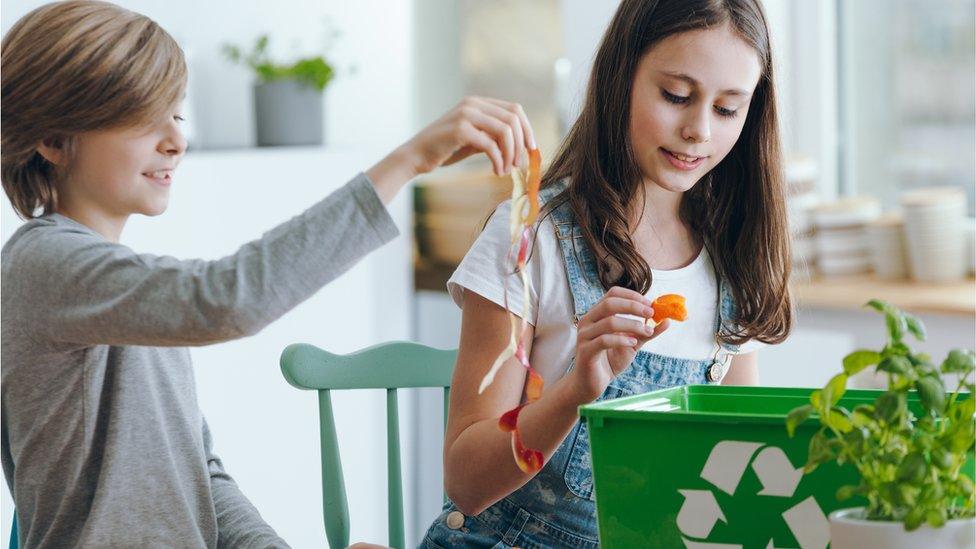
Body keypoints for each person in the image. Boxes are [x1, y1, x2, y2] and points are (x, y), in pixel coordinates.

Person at [0, 1, 535, 547]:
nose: (175, 140)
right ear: (52, 138)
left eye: (177, 115)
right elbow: (228, 299)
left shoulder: (120, 287)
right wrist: (409, 160)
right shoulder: (41, 266)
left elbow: (200, 477)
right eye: (141, 116)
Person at [422, 0, 793, 547]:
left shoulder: (733, 260)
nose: (697, 130)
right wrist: (576, 390)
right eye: (676, 96)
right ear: (620, 77)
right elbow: (467, 482)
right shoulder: (531, 238)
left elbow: (731, 473)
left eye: (728, 108)